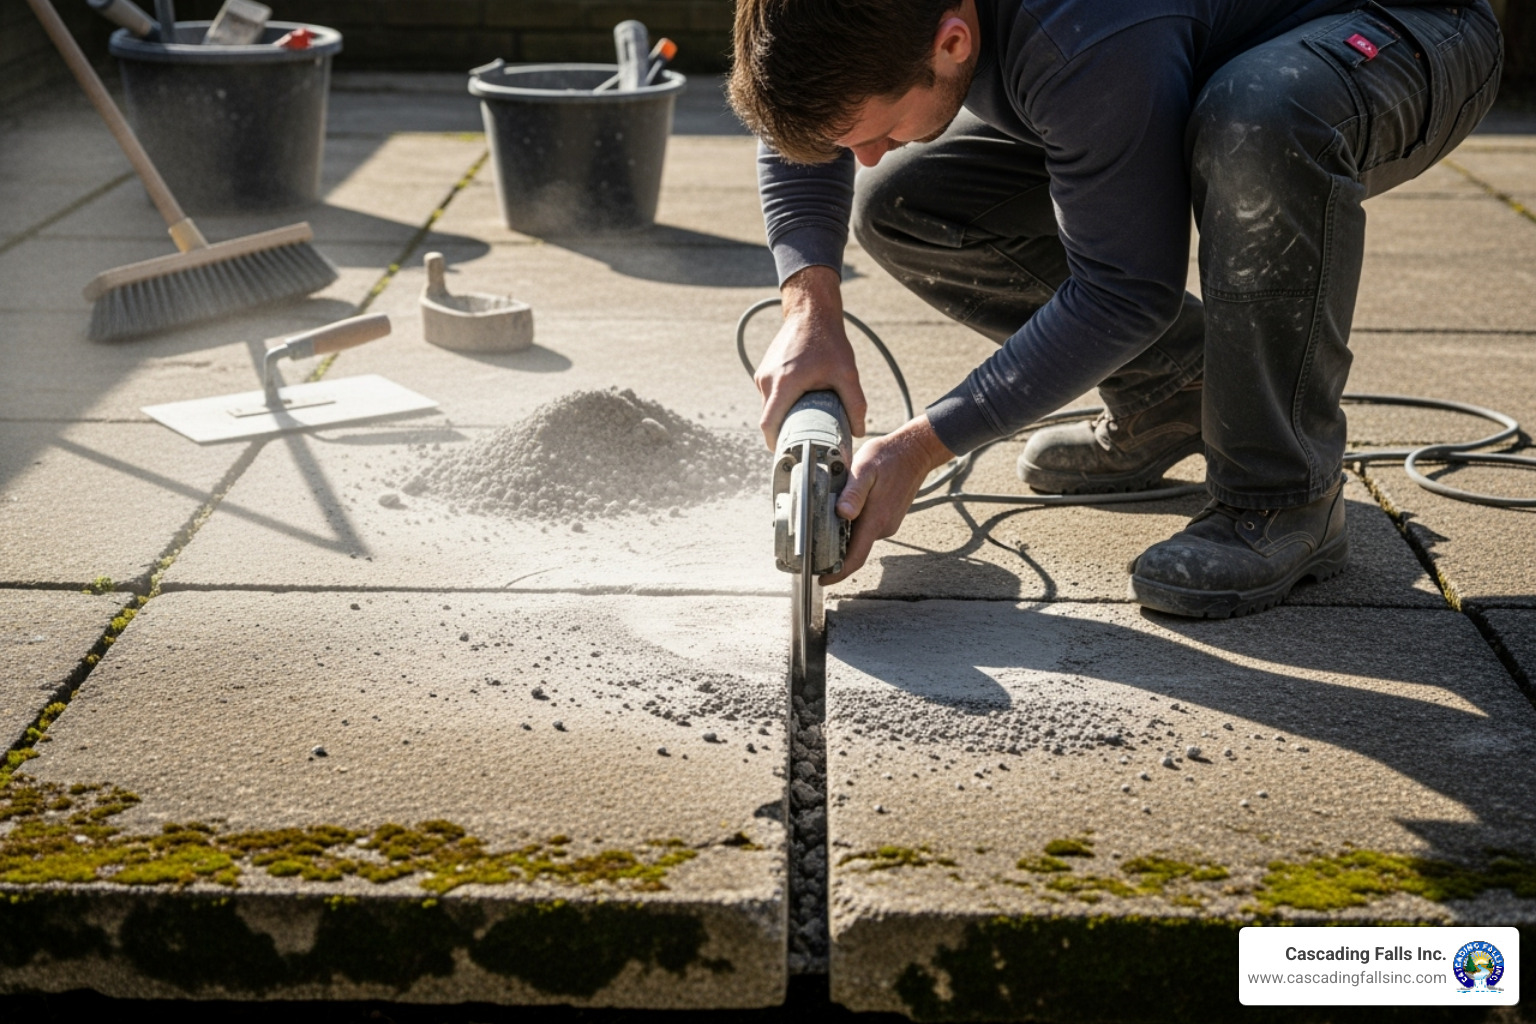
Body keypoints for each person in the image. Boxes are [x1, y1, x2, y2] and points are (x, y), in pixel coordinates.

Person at [729, 0, 1503, 618]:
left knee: (1257, 120)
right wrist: (810, 310)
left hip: (1407, 25)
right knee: (906, 202)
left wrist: (919, 447)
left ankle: (1283, 495)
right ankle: (1177, 391)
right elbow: (805, 111)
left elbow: (1124, 290)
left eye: (875, 130)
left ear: (953, 41)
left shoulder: (1082, 30)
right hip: (1171, 47)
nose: (864, 153)